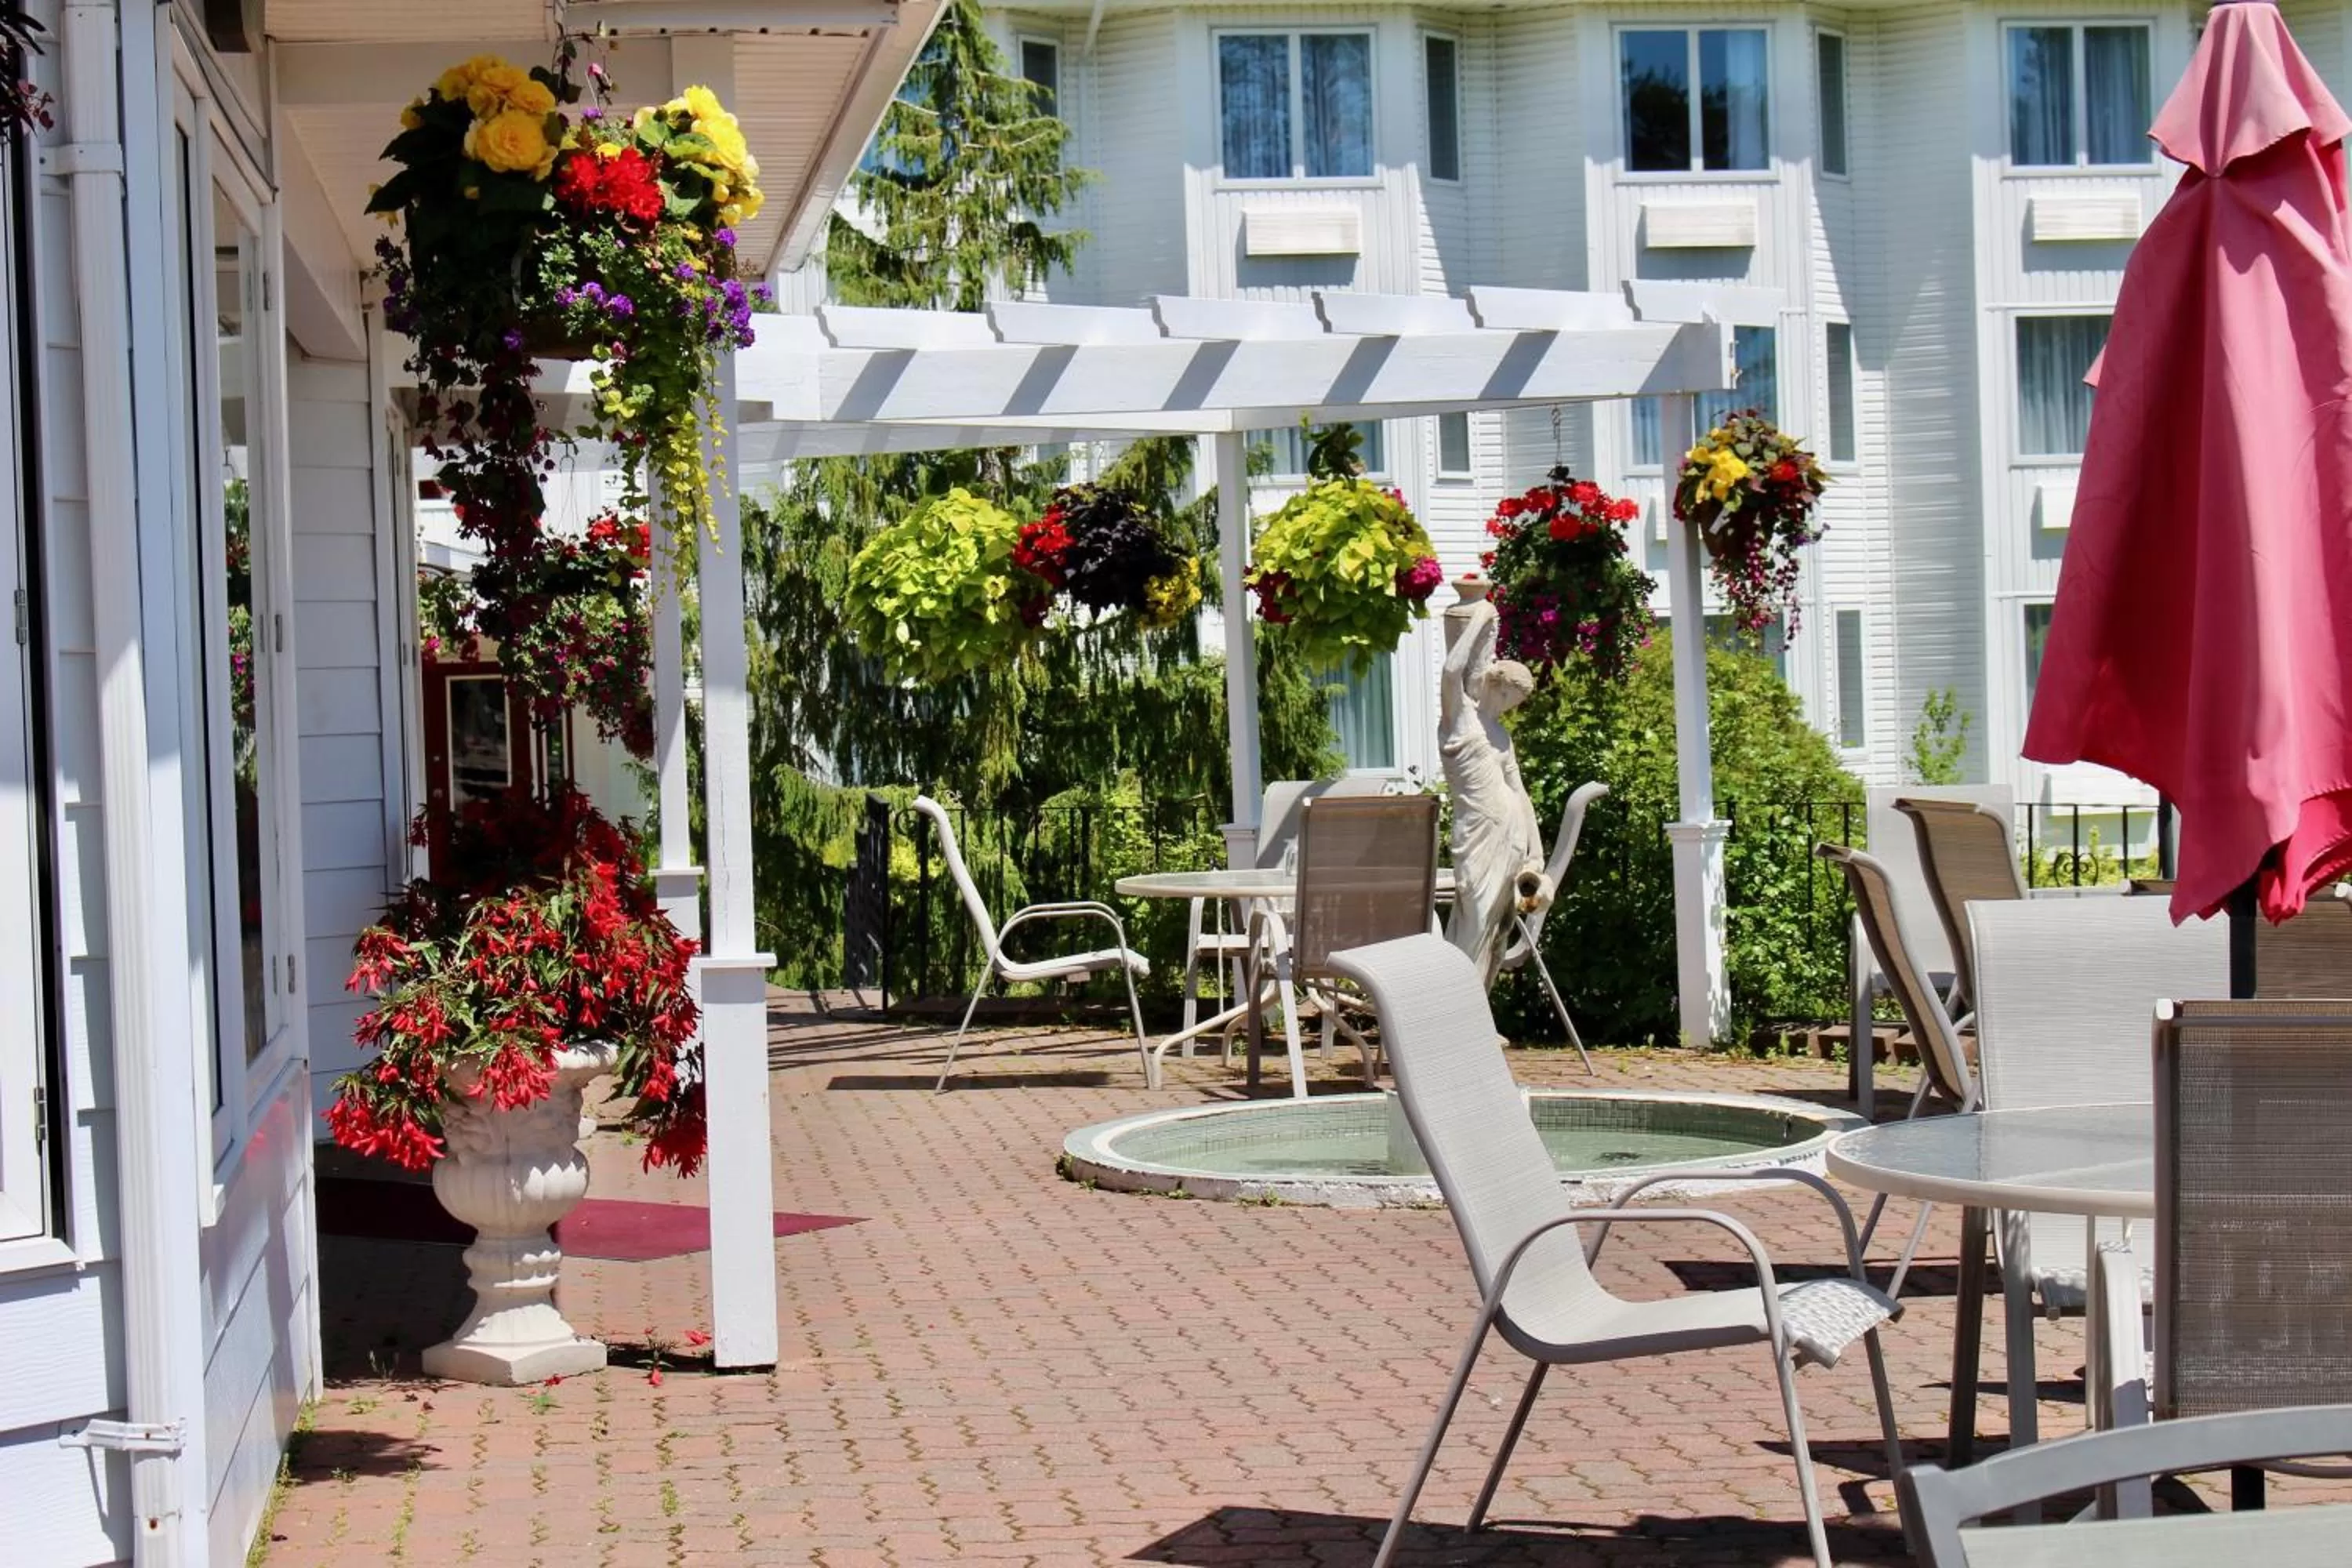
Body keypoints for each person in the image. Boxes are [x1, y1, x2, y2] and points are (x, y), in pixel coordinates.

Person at [1439, 593, 1550, 983]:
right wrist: (1481, 617)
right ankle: (1456, 1011)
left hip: (1511, 840)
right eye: (1509, 697)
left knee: (1499, 934)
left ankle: (1478, 1017)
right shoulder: (1460, 717)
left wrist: (1535, 852)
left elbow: (1519, 793)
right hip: (1478, 837)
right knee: (1474, 926)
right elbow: (1452, 671)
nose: (1509, 707)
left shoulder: (1502, 736)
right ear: (1495, 683)